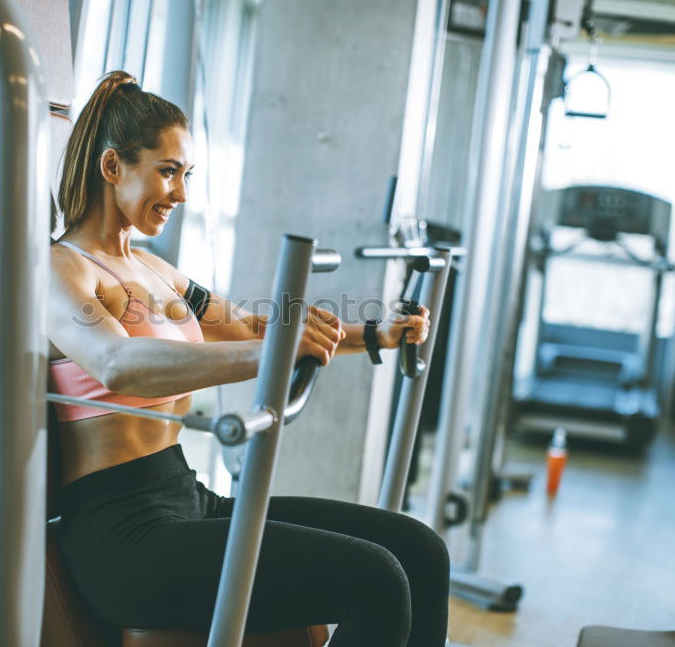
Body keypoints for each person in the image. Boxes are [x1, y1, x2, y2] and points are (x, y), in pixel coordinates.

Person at [47, 70, 449, 647]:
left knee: (419, 551)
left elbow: (250, 327)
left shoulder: (155, 269)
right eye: (167, 172)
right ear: (113, 167)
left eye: (185, 174)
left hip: (185, 499)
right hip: (124, 535)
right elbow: (117, 362)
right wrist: (268, 355)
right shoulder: (62, 268)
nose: (181, 193)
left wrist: (376, 335)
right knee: (378, 581)